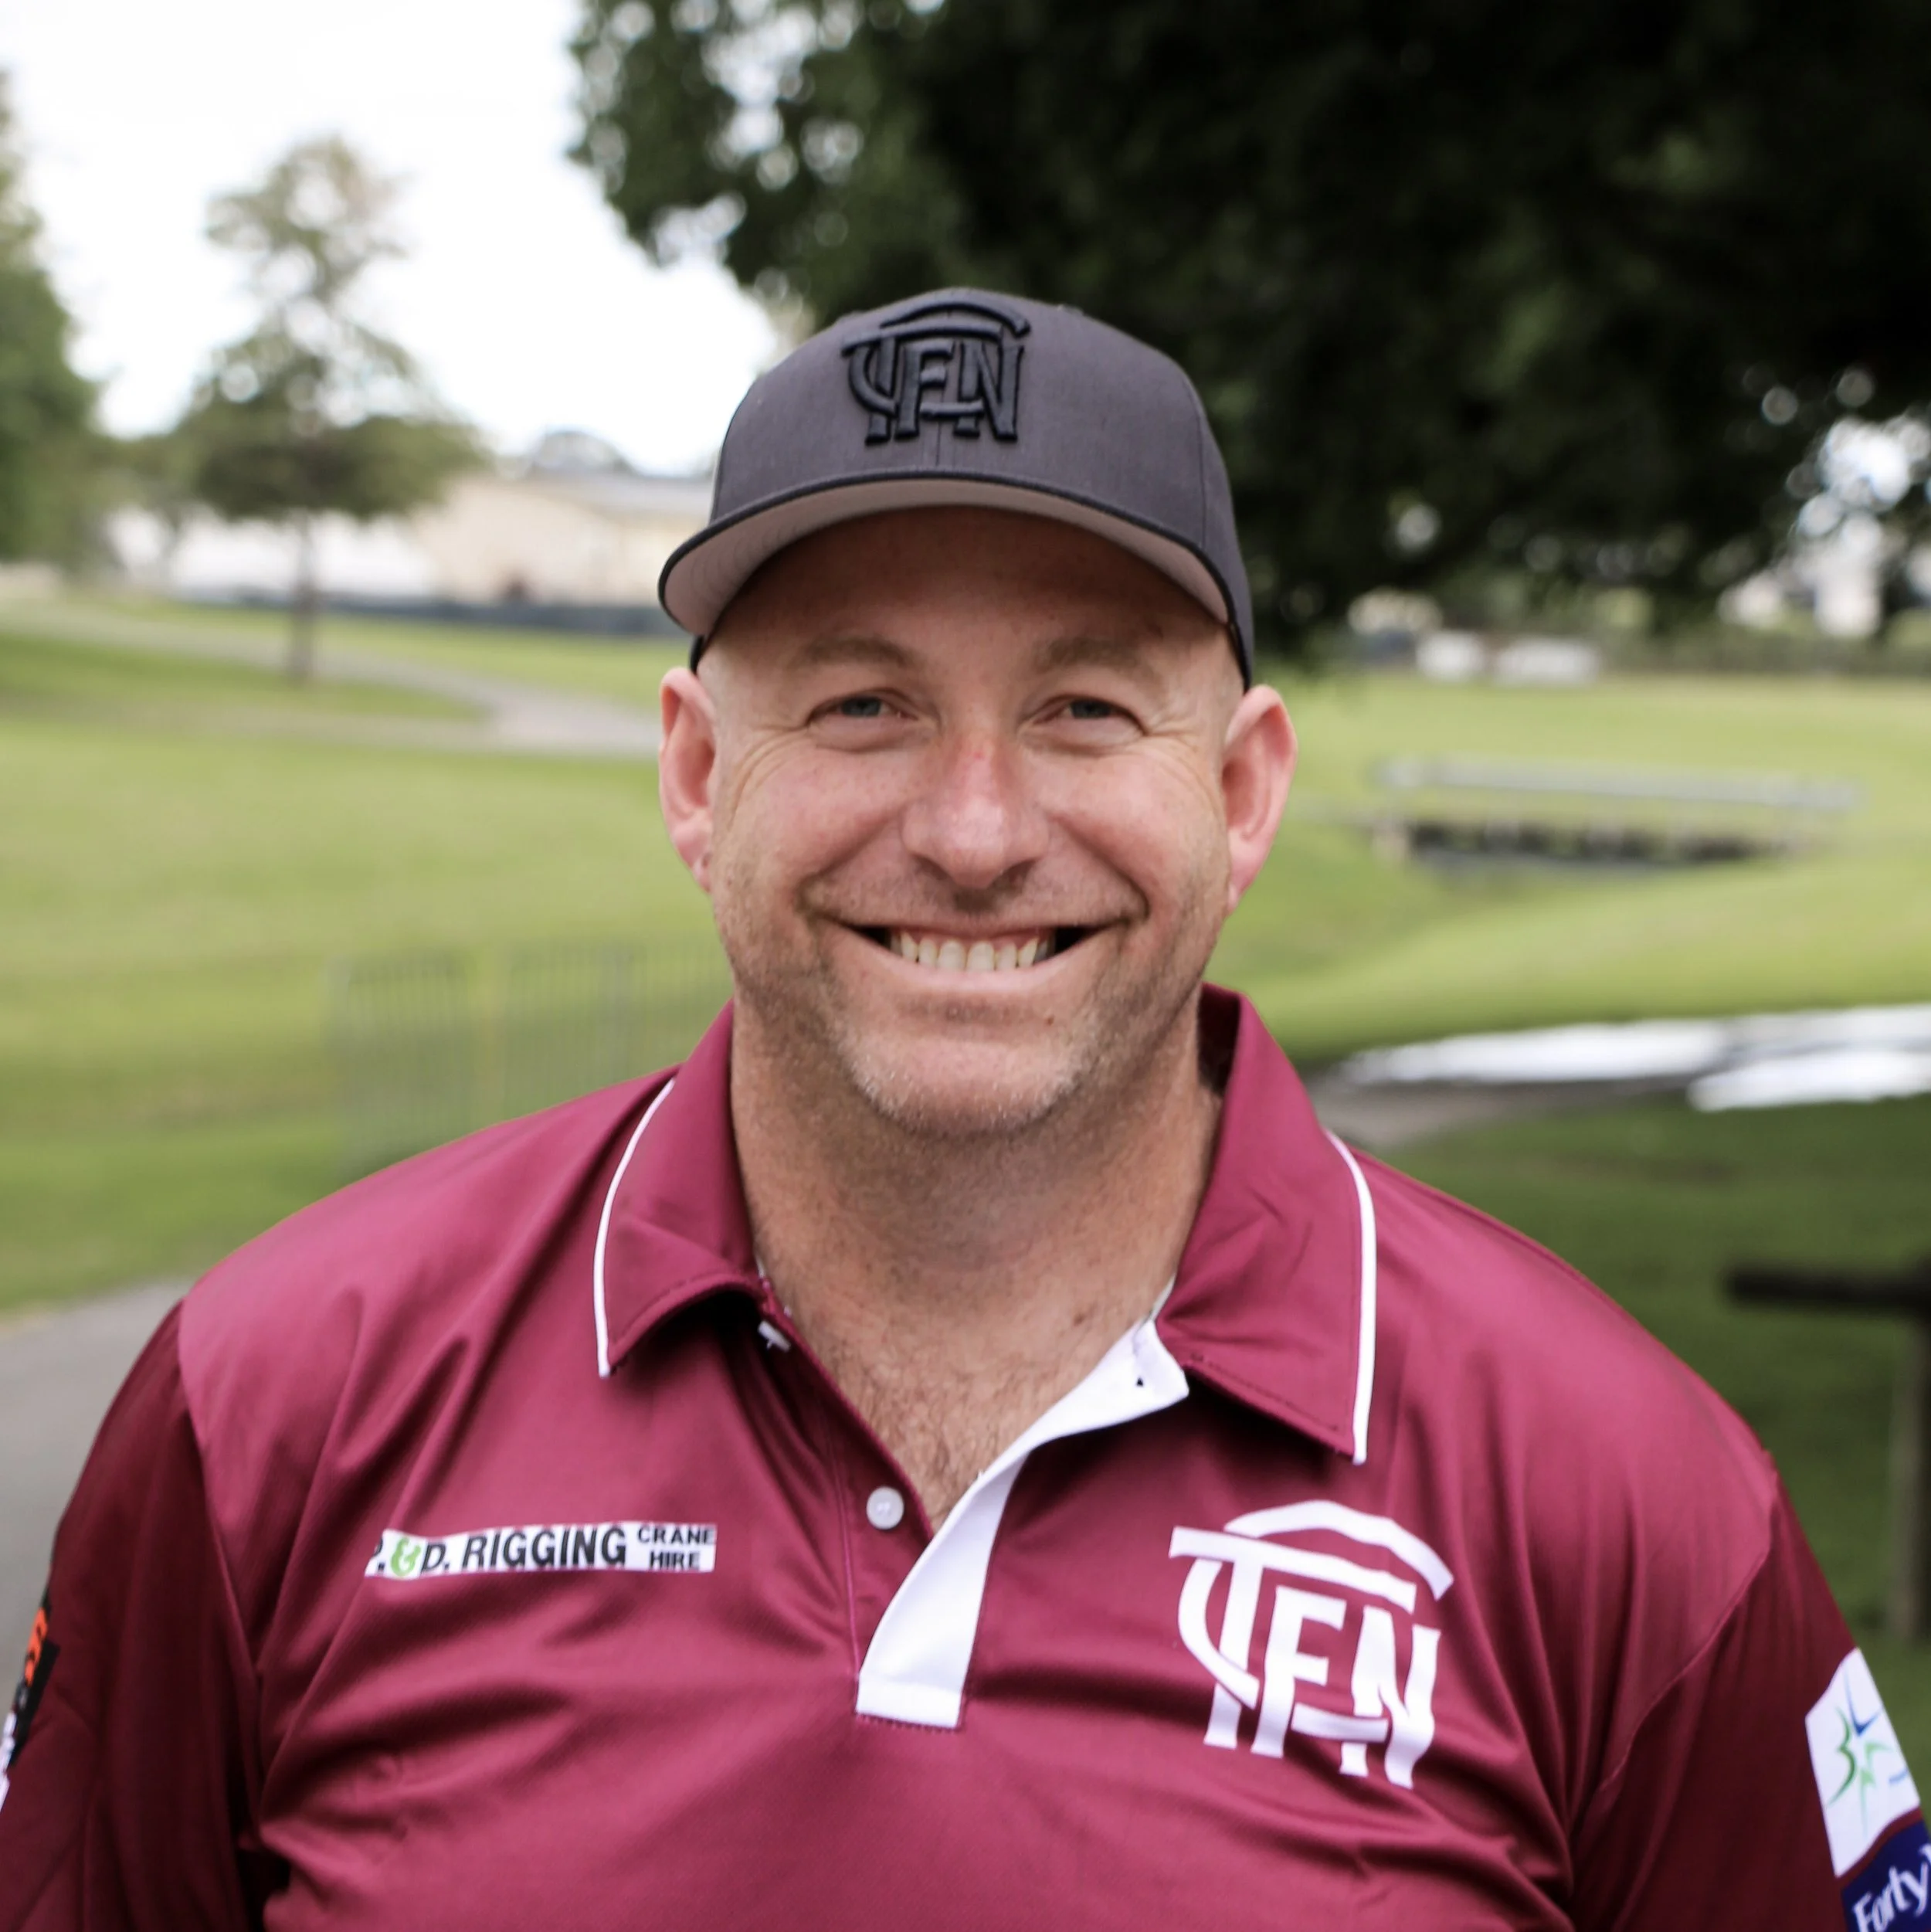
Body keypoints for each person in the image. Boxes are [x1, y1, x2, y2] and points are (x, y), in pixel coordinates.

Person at [1, 289, 1920, 1931]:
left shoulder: (1625, 1495)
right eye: (860, 706)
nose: (976, 829)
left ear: (1242, 793)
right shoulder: (271, 1405)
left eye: (1085, 708)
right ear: (692, 774)